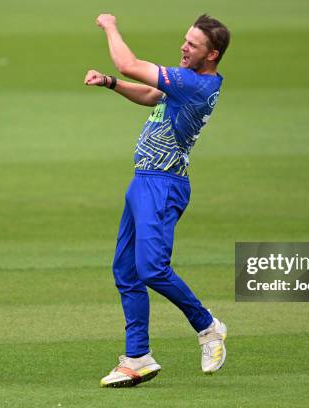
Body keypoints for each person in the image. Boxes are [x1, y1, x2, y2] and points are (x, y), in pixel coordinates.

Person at [84, 13, 231, 388]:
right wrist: (111, 83)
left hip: (163, 185)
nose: (183, 47)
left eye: (193, 45)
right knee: (126, 272)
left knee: (151, 268)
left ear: (211, 55)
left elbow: (129, 63)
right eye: (185, 39)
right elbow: (150, 94)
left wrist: (110, 26)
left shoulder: (195, 84)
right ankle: (138, 357)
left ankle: (208, 326)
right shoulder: (185, 83)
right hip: (144, 182)